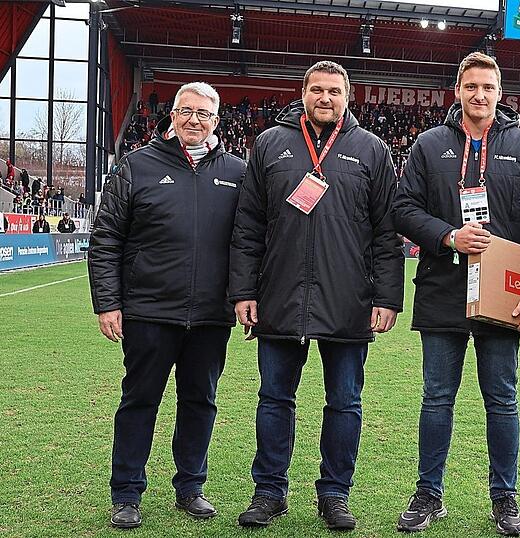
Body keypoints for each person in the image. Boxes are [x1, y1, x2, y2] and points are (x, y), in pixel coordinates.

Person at [392, 52, 520, 535]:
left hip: (502, 294)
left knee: (502, 398)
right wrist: (449, 235)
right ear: (458, 91)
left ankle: (505, 497)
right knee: (436, 397)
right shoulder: (429, 144)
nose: (479, 94)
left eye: (488, 87)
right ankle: (429, 493)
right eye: (471, 86)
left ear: (500, 93)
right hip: (442, 287)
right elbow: (402, 208)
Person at [229, 60, 404, 530]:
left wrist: (387, 297)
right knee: (274, 398)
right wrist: (244, 290)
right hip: (279, 294)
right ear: (302, 93)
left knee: (344, 401)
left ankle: (334, 494)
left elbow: (386, 232)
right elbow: (248, 226)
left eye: (335, 91)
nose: (325, 98)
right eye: (317, 90)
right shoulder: (270, 143)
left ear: (348, 97)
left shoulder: (372, 149)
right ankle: (269, 492)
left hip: (348, 297)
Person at [88, 82, 246, 529]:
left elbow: (250, 241)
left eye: (204, 113)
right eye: (186, 111)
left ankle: (191, 487)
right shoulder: (136, 165)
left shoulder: (237, 172)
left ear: (217, 121)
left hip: (211, 316)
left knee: (200, 402)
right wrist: (108, 303)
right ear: (172, 115)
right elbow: (106, 239)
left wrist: (243, 297)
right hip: (148, 311)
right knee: (139, 401)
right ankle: (126, 493)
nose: (194, 119)